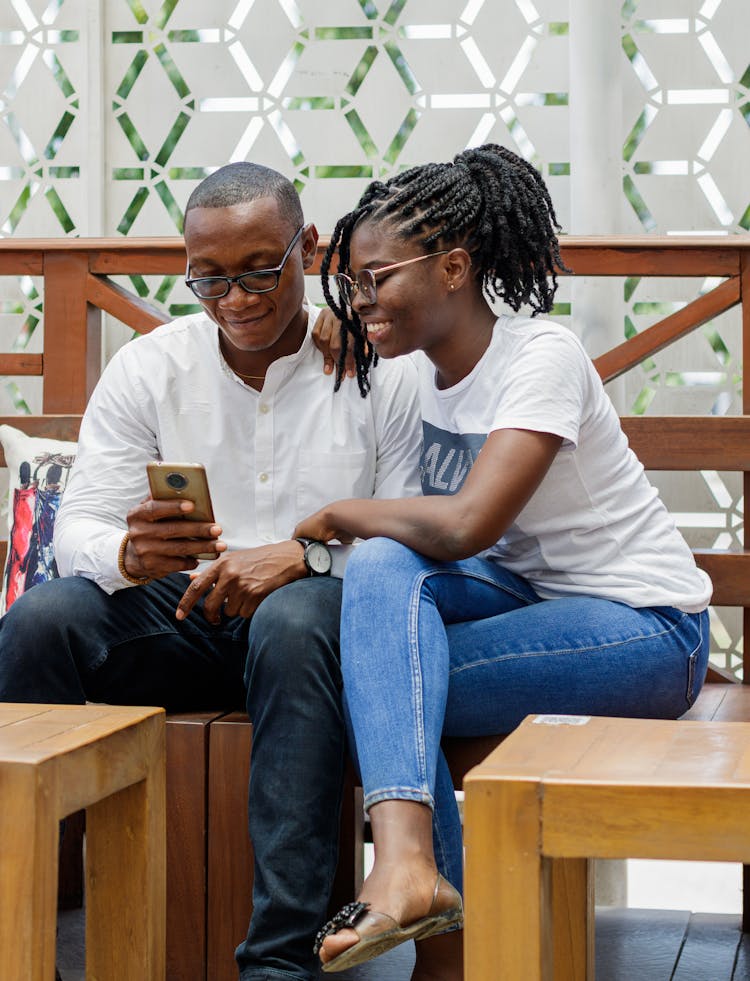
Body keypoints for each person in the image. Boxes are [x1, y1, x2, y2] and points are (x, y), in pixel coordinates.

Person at [295, 143, 712, 978]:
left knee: (391, 683)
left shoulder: (539, 357)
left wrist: (338, 515)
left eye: (378, 278)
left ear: (454, 267)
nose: (362, 298)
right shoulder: (412, 373)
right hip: (527, 603)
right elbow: (411, 549)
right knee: (383, 576)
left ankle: (443, 949)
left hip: (647, 630)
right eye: (351, 281)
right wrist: (335, 301)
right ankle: (416, 880)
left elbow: (464, 526)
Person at [0, 161, 423, 981]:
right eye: (210, 279)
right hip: (186, 611)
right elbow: (78, 526)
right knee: (39, 623)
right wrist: (126, 553)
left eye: (261, 270)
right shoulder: (152, 367)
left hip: (318, 617)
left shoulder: (379, 367)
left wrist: (305, 558)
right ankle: (23, 939)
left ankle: (278, 964)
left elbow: (408, 535)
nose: (237, 299)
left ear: (308, 248)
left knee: (295, 621)